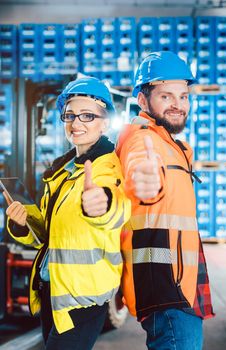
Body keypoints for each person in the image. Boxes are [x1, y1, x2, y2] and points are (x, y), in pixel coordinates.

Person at [4, 77, 131, 350]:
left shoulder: (105, 167)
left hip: (82, 298)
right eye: (70, 115)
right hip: (53, 290)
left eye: (88, 115)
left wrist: (102, 204)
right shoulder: (64, 171)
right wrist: (23, 221)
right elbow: (47, 237)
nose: (76, 123)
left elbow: (116, 206)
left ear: (105, 122)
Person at [116, 51, 214, 350]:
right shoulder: (140, 139)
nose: (178, 105)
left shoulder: (173, 144)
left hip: (180, 283)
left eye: (184, 96)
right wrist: (143, 184)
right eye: (166, 96)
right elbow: (140, 174)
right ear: (143, 101)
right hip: (166, 288)